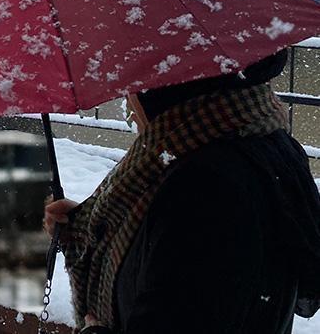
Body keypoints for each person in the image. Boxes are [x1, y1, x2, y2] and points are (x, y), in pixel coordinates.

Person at [44, 51, 320, 334]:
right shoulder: (251, 139)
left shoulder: (204, 189)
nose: (129, 101)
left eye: (136, 87)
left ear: (169, 88)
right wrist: (82, 226)